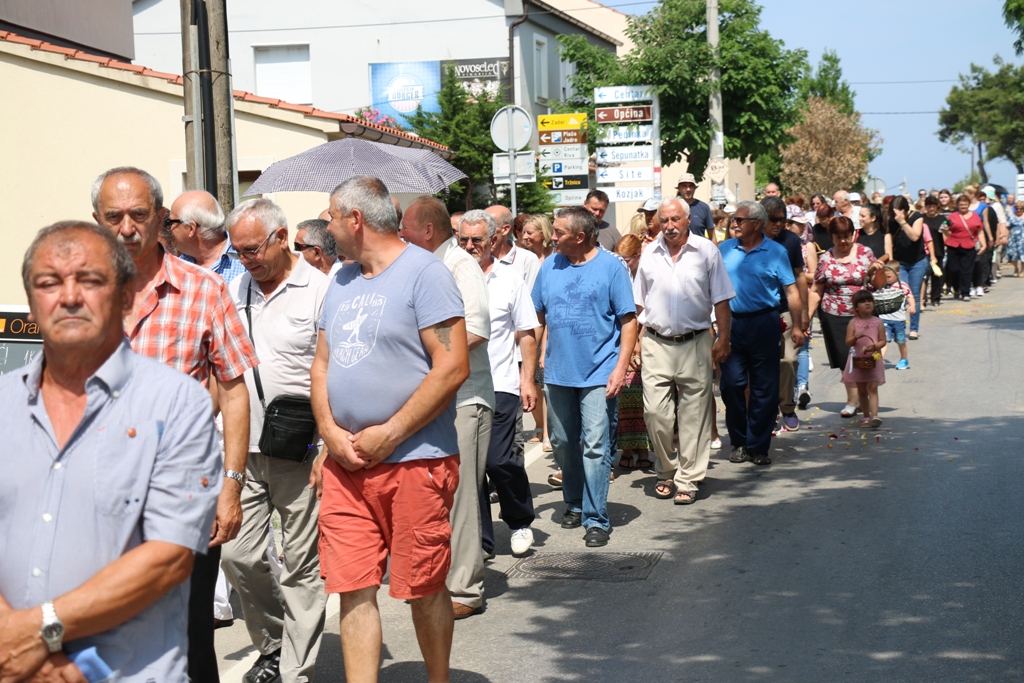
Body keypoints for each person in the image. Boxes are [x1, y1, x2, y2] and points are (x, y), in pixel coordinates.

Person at [0, 221, 220, 683]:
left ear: (124, 297)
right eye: (49, 283)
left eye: (90, 280)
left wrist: (37, 633)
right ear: (32, 303)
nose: (69, 297)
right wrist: (12, 643)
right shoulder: (3, 404)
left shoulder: (176, 403)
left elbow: (168, 558)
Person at [91, 167, 257, 683]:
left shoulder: (204, 290)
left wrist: (231, 486)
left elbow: (234, 392)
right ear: (96, 220)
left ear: (161, 218)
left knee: (187, 636)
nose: (126, 228)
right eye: (113, 216)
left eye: (138, 215)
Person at [314, 176, 468, 682]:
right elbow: (321, 366)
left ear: (355, 219)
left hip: (415, 460)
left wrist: (392, 432)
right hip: (346, 465)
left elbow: (452, 365)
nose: (327, 227)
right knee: (352, 587)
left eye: (331, 217)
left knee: (422, 586)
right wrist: (328, 433)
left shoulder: (426, 274)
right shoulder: (340, 279)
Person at [221, 199, 330, 683]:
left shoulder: (321, 290)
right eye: (238, 251)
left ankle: (294, 671)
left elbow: (334, 372)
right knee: (237, 554)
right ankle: (272, 644)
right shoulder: (234, 289)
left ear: (282, 237)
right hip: (241, 447)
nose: (246, 260)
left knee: (301, 564)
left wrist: (327, 445)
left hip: (300, 448)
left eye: (252, 249)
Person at [401, 196, 494, 620]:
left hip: (465, 397)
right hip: (436, 398)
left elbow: (476, 329)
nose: (400, 235)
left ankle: (465, 589)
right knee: (435, 493)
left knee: (463, 496)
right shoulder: (424, 267)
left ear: (427, 230)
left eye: (405, 228)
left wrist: (429, 356)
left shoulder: (460, 265)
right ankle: (438, 581)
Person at [532, 206, 637, 547]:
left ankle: (596, 518)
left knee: (594, 445)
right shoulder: (549, 266)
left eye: (558, 232)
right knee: (563, 442)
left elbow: (628, 321)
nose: (552, 237)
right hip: (558, 372)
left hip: (599, 372)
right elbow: (537, 317)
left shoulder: (612, 268)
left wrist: (620, 368)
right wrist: (532, 364)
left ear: (580, 237)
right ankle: (575, 502)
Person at [633, 199, 734, 503]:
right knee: (655, 413)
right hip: (655, 341)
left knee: (694, 415)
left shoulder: (707, 251)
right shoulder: (649, 253)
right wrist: (635, 340)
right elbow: (639, 303)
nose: (669, 226)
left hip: (696, 341)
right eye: (664, 220)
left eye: (675, 219)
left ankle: (688, 478)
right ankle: (665, 469)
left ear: (688, 220)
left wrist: (724, 337)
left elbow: (721, 298)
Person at [458, 211, 540, 558]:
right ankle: (481, 540)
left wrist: (527, 380)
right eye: (463, 239)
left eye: (476, 239)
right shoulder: (448, 277)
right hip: (460, 387)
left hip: (501, 383)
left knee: (498, 461)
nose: (469, 246)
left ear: (492, 240)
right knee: (469, 467)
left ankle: (519, 520)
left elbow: (527, 333)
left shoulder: (509, 279)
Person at [719, 201, 803, 466]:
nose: (734, 223)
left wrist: (798, 325)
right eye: (733, 219)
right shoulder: (724, 249)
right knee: (731, 384)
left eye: (739, 219)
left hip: (765, 322)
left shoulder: (776, 251)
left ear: (756, 224)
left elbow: (791, 291)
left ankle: (758, 446)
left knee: (764, 387)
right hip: (731, 323)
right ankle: (738, 441)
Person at [808, 216, 878, 417]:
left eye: (847, 236)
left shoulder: (865, 253)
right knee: (844, 359)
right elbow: (816, 290)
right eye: (838, 237)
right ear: (831, 237)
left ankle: (865, 398)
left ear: (853, 234)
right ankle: (852, 401)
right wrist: (807, 318)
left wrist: (878, 271)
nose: (843, 241)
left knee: (864, 356)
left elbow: (877, 283)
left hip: (863, 316)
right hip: (834, 314)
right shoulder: (826, 258)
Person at [761, 196, 807, 433]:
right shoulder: (751, 240)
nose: (779, 224)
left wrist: (804, 313)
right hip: (759, 313)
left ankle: (787, 407)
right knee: (764, 364)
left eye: (783, 220)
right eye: (774, 220)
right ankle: (768, 412)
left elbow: (799, 276)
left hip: (786, 310)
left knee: (788, 360)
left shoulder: (791, 240)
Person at [612, 234, 653, 472]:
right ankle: (627, 449)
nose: (623, 263)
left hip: (646, 336)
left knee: (645, 397)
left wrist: (640, 339)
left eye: (626, 259)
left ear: (638, 257)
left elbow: (647, 310)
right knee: (626, 395)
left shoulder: (646, 273)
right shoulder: (617, 273)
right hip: (622, 337)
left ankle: (644, 449)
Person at [166, 189, 247, 283]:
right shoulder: (179, 264)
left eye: (170, 222)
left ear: (191, 228)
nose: (169, 228)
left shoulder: (245, 261)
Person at [842, 290, 887, 428]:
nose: (867, 303)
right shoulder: (853, 322)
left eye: (869, 301)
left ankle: (875, 416)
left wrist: (874, 346)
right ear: (856, 307)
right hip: (859, 359)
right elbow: (848, 342)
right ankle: (866, 416)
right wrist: (855, 337)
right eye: (863, 302)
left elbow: (883, 341)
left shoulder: (878, 322)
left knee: (872, 388)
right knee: (861, 390)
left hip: (874, 359)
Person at [886, 195, 927, 340]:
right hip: (900, 263)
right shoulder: (891, 221)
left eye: (898, 211)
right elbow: (889, 241)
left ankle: (914, 329)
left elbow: (915, 236)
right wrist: (890, 262)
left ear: (904, 209)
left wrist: (902, 222)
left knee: (914, 295)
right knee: (899, 293)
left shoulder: (917, 216)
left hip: (917, 262)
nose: (895, 215)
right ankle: (897, 327)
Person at [485, 205, 540, 292]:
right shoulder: (477, 258)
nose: (483, 232)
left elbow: (530, 297)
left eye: (489, 227)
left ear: (505, 229)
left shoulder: (527, 259)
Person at [942, 194, 985, 301]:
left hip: (969, 245)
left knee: (967, 270)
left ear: (969, 205)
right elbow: (945, 230)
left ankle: (965, 292)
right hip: (953, 245)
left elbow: (980, 231)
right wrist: (945, 235)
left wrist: (984, 245)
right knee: (953, 269)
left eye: (965, 204)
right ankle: (956, 288)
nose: (963, 206)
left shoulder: (975, 216)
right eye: (961, 204)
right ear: (957, 205)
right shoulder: (952, 216)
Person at [875, 263, 915, 370]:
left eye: (889, 276)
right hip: (884, 319)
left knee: (901, 341)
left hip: (898, 320)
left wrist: (912, 305)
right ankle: (879, 361)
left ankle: (904, 359)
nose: (886, 279)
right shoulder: (882, 285)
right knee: (883, 341)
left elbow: (910, 295)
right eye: (884, 276)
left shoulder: (902, 285)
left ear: (897, 274)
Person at [677, 172, 717, 242]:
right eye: (684, 186)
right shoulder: (672, 207)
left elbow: (712, 236)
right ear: (679, 188)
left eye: (691, 186)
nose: (688, 189)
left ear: (695, 188)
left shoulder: (704, 207)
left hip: (699, 248)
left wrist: (715, 248)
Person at [1006, 200, 1024, 276]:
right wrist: (1005, 238)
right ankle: (1016, 268)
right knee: (1013, 254)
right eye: (1017, 208)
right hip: (1013, 239)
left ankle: (1023, 270)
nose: (1018, 210)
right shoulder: (1011, 217)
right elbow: (1007, 228)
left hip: (1023, 239)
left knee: (1023, 254)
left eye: (1021, 208)